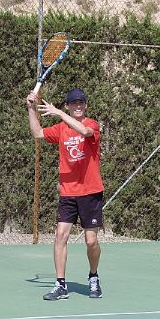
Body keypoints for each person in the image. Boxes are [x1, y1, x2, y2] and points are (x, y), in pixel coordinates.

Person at [27, 88, 104, 300]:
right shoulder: (61, 129)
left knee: (91, 241)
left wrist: (60, 113)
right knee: (60, 235)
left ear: (85, 106)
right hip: (68, 193)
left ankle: (94, 276)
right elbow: (38, 133)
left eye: (81, 103)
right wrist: (31, 109)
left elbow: (85, 133)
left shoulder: (92, 125)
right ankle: (60, 284)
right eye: (73, 104)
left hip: (91, 192)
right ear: (69, 105)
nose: (77, 106)